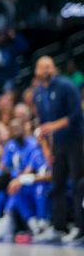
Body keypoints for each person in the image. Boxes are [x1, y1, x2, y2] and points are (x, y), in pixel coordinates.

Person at [32, 56, 84, 244]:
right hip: (58, 144)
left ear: (54, 68)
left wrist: (54, 126)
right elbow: (42, 124)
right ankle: (58, 227)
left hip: (75, 140)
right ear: (36, 70)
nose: (45, 70)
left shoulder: (66, 86)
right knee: (57, 184)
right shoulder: (38, 92)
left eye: (48, 66)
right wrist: (46, 148)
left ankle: (80, 228)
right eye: (42, 67)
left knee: (78, 184)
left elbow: (77, 114)